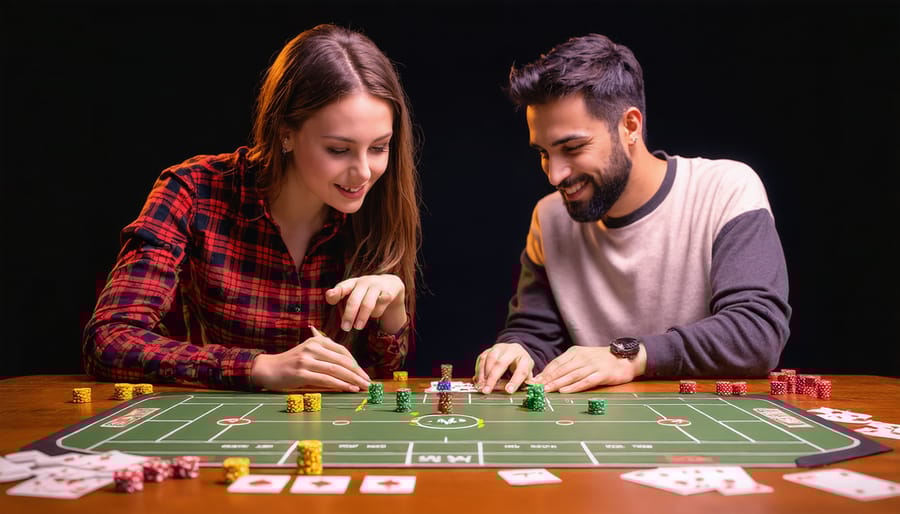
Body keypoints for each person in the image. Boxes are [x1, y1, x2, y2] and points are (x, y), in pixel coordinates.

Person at [83, 24, 421, 393]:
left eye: (379, 147)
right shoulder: (194, 189)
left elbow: (383, 374)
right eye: (339, 150)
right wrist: (258, 367)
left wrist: (394, 307)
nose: (364, 172)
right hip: (222, 429)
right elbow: (109, 340)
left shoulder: (380, 205)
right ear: (285, 133)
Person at [474, 33, 791, 394]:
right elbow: (535, 334)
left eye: (573, 147)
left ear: (630, 126)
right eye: (544, 152)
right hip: (597, 434)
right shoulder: (549, 218)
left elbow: (755, 333)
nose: (554, 174)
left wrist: (627, 356)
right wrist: (517, 349)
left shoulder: (727, 189)